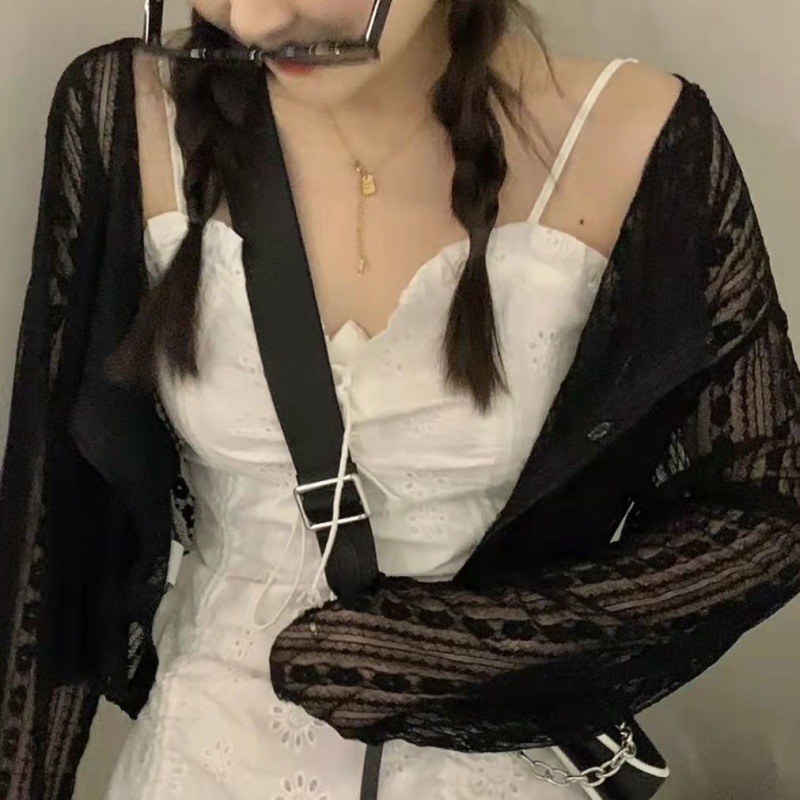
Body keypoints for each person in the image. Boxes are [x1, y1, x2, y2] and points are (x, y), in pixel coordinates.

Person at [2, 1, 799, 799]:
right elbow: (51, 526)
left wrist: (458, 647)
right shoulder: (129, 109)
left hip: (498, 773)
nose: (251, 21)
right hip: (197, 758)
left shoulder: (639, 134)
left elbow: (766, 500)